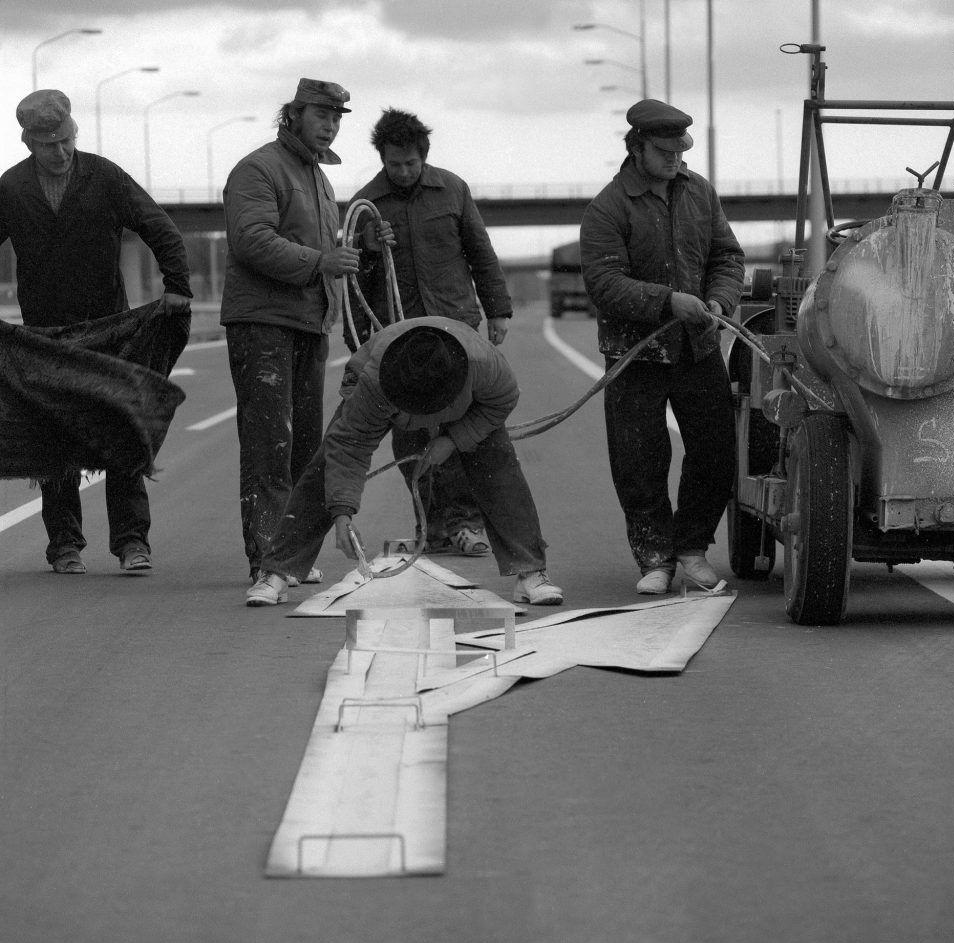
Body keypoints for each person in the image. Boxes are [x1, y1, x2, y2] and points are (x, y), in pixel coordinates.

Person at [0, 88, 192, 575]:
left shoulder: (104, 177)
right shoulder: (13, 188)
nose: (60, 152)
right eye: (49, 146)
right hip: (45, 337)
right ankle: (64, 545)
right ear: (29, 144)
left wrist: (177, 286)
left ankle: (131, 543)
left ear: (73, 133)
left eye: (66, 140)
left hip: (112, 331)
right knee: (54, 436)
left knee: (120, 428)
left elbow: (159, 226)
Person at [244, 316, 562, 609]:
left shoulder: (485, 367)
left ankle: (530, 570)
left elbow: (502, 402)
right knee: (324, 468)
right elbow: (349, 447)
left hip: (464, 409)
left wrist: (453, 439)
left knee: (499, 464)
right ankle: (277, 569)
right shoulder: (373, 382)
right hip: (385, 388)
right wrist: (342, 513)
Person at [221, 78, 390, 588]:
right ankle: (267, 558)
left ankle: (288, 556)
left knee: (303, 447)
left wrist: (366, 244)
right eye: (322, 115)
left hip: (308, 321)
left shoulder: (317, 177)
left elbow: (325, 248)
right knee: (270, 444)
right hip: (263, 324)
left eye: (338, 117)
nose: (332, 125)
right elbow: (251, 240)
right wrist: (321, 260)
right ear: (292, 114)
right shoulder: (258, 169)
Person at [579, 99, 745, 595]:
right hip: (635, 356)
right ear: (636, 149)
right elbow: (604, 282)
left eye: (680, 150)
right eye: (663, 151)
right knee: (639, 460)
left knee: (715, 451)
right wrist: (667, 301)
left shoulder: (701, 194)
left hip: (698, 349)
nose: (674, 159)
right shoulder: (608, 207)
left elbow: (727, 257)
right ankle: (655, 557)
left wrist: (719, 298)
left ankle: (693, 549)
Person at [348, 108, 514, 559]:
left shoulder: (453, 190)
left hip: (456, 328)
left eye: (410, 163)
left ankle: (466, 523)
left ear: (424, 156)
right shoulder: (366, 205)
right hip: (398, 339)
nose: (402, 172)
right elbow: (355, 283)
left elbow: (481, 252)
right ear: (381, 158)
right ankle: (434, 525)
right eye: (393, 164)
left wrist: (497, 311)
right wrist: (365, 248)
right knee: (410, 435)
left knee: (460, 428)